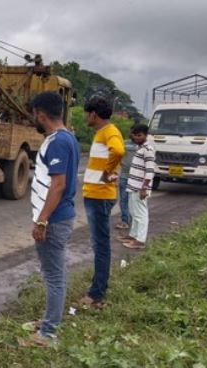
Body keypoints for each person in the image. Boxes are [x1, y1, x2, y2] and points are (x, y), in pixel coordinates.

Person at [29, 92, 80, 343]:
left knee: (53, 276)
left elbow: (58, 185)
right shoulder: (67, 137)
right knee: (54, 274)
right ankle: (49, 320)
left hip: (54, 220)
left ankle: (48, 332)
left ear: (40, 113)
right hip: (58, 217)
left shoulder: (57, 141)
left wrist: (42, 220)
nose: (33, 118)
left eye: (34, 114)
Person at [80, 96, 124, 308]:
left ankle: (96, 293)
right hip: (95, 195)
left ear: (93, 114)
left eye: (86, 114)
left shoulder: (110, 132)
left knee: (101, 245)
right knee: (99, 244)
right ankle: (97, 289)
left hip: (100, 196)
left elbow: (119, 151)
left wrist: (107, 173)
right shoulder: (103, 133)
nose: (85, 117)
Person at [118, 124, 155, 249]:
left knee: (141, 214)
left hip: (140, 188)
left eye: (139, 135)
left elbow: (150, 171)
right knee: (134, 212)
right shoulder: (140, 148)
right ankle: (133, 235)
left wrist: (144, 188)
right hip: (133, 186)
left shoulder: (148, 150)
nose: (136, 138)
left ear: (145, 135)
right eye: (135, 135)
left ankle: (140, 240)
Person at [116, 134, 137, 229]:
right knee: (124, 200)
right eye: (133, 133)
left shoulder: (143, 145)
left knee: (134, 200)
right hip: (124, 176)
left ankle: (135, 221)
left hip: (136, 178)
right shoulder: (124, 143)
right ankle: (125, 221)